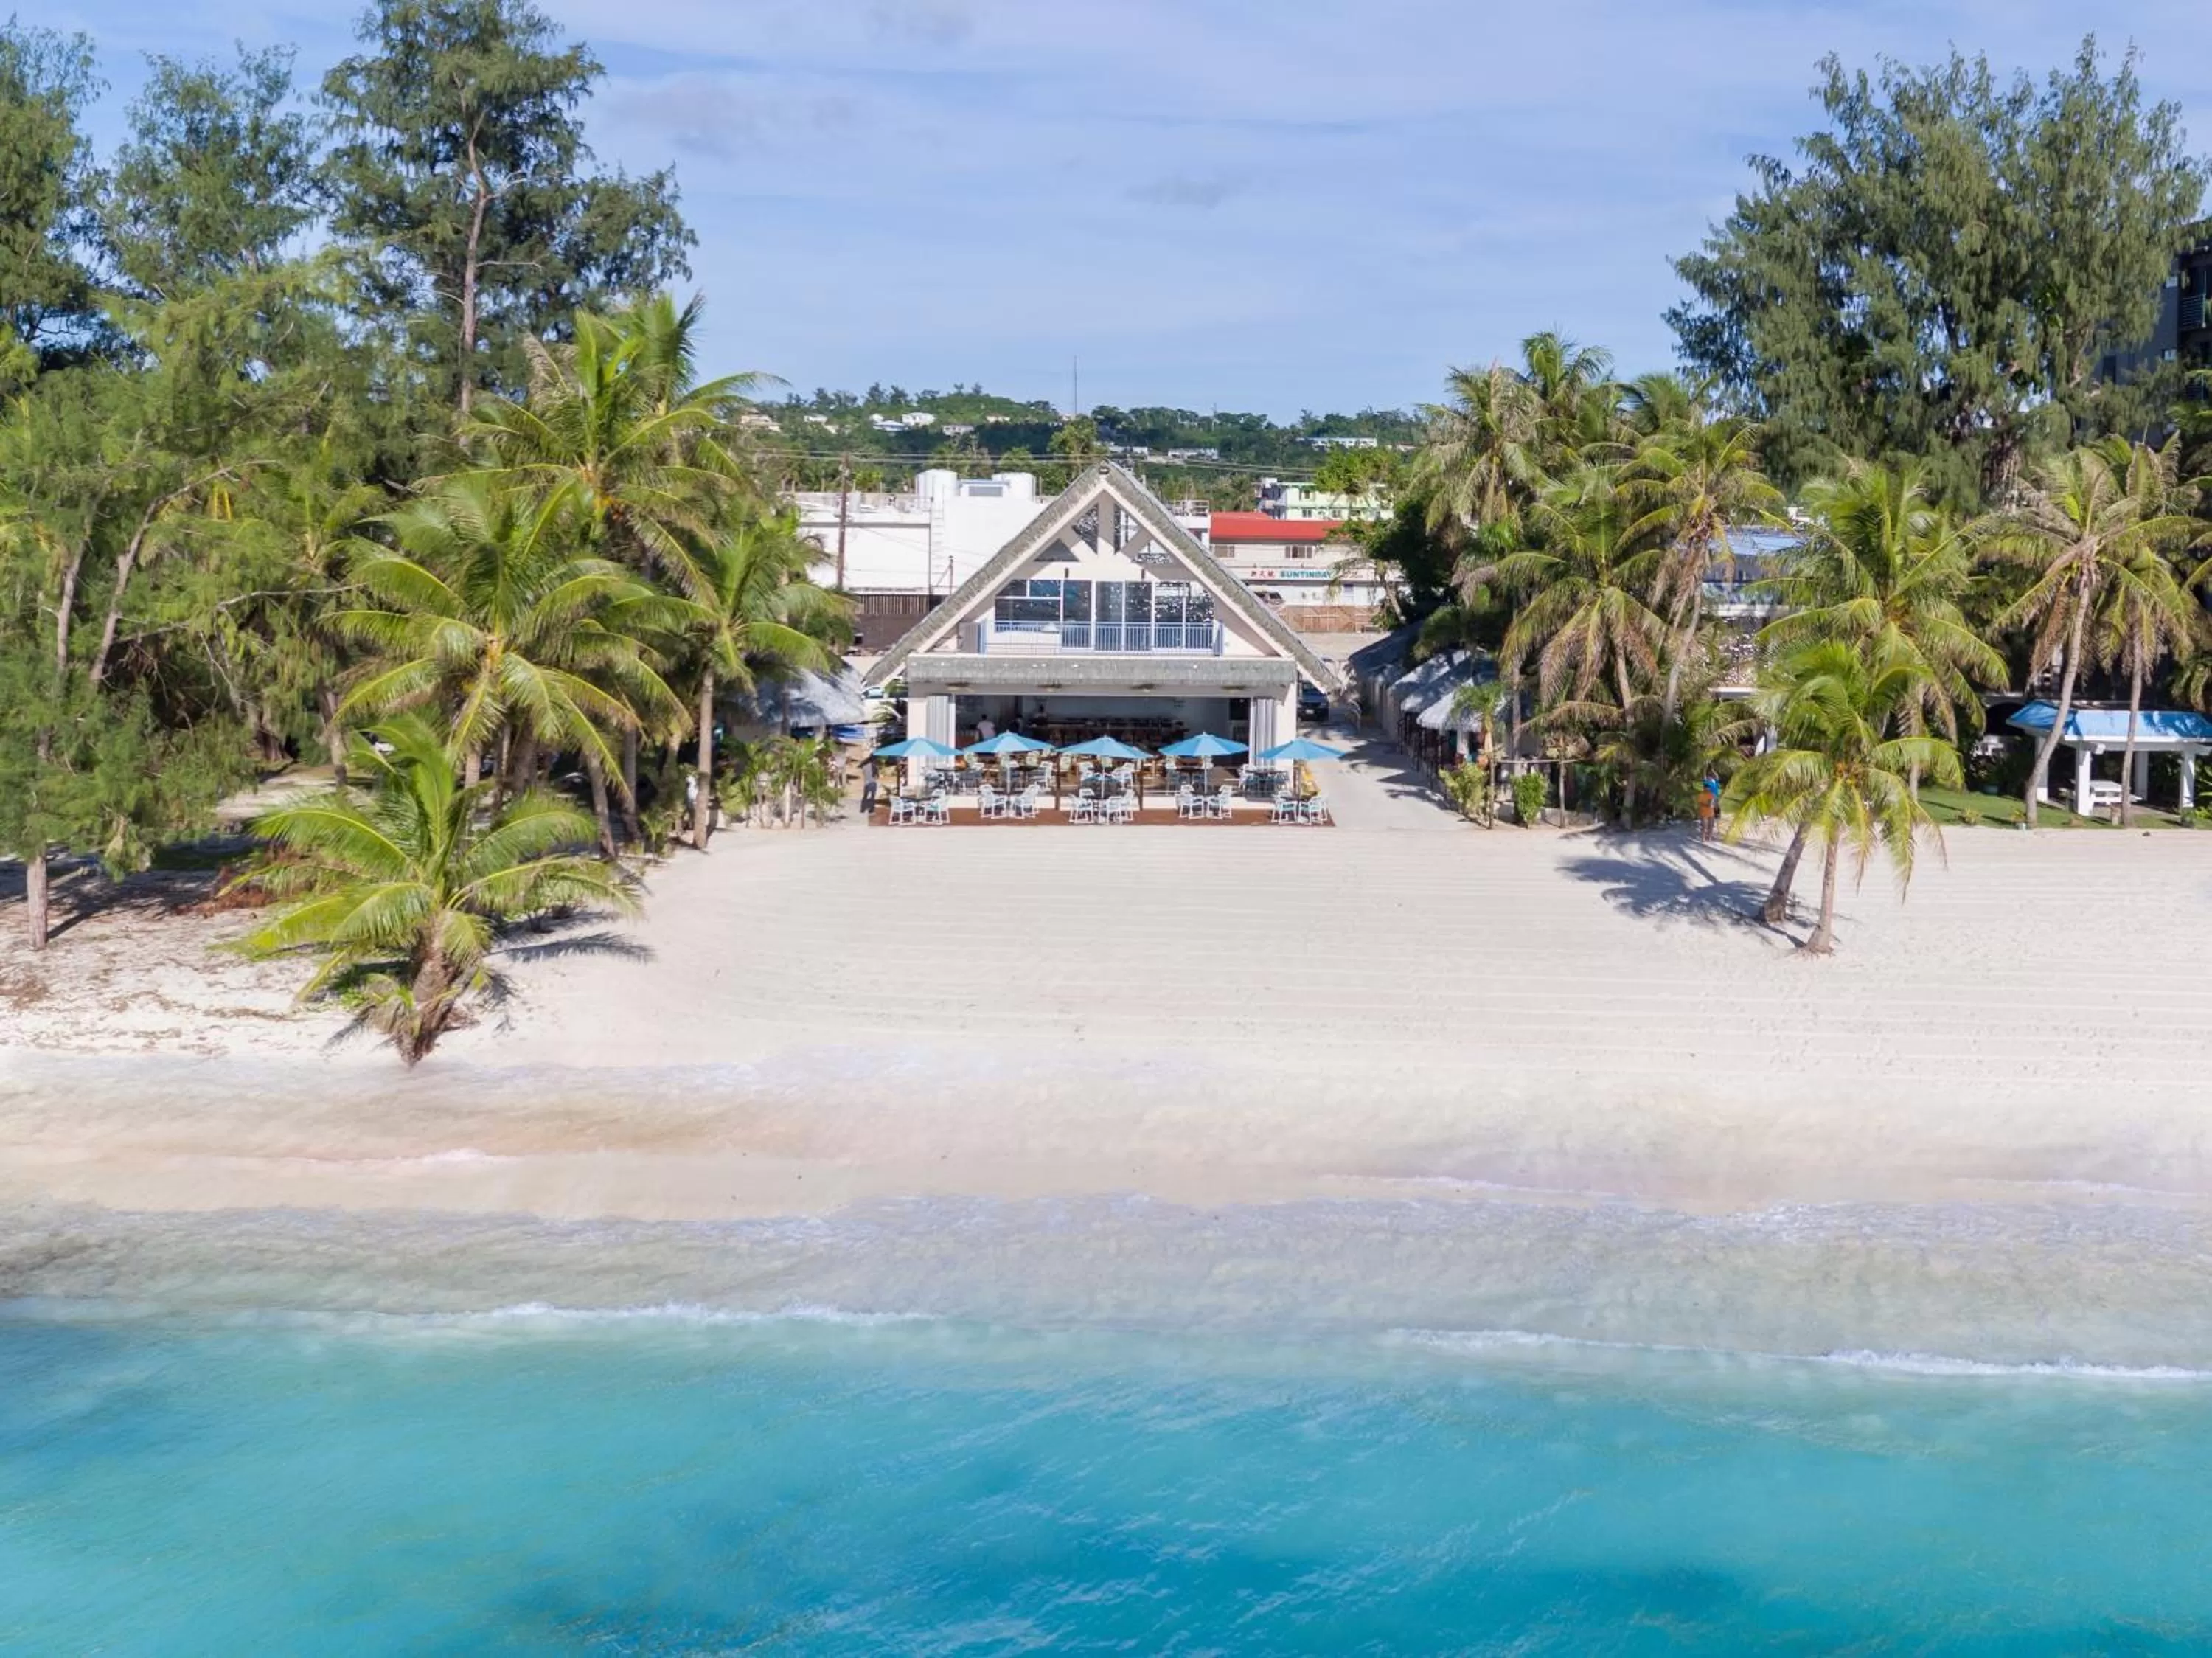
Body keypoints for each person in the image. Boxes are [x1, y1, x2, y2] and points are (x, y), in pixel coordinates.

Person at [1697, 771, 1721, 843]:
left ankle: (1710, 833)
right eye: (1708, 777)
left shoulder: (1715, 782)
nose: (1709, 778)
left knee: (1714, 817)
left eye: (1710, 776)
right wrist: (1705, 769)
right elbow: (1703, 776)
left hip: (1714, 798)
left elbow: (1717, 777)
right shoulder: (1706, 783)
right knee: (1706, 821)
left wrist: (1713, 770)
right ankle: (1706, 835)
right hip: (1708, 799)